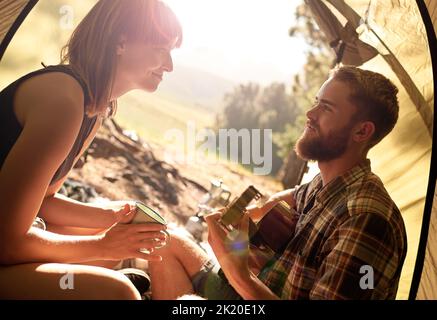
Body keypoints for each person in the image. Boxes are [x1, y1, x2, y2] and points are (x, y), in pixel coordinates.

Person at [149, 65, 408, 300]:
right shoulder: (327, 184)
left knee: (186, 305)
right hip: (253, 291)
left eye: (326, 108)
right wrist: (255, 210)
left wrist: (239, 273)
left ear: (362, 132)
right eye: (316, 102)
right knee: (167, 243)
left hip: (250, 290)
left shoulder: (367, 220)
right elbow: (297, 195)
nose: (310, 113)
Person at [0, 0, 182, 299]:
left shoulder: (93, 110)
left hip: (14, 236)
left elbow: (44, 200)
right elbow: (6, 243)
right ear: (121, 41)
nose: (169, 65)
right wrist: (102, 244)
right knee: (119, 291)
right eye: (162, 48)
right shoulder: (62, 102)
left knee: (113, 254)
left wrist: (113, 217)